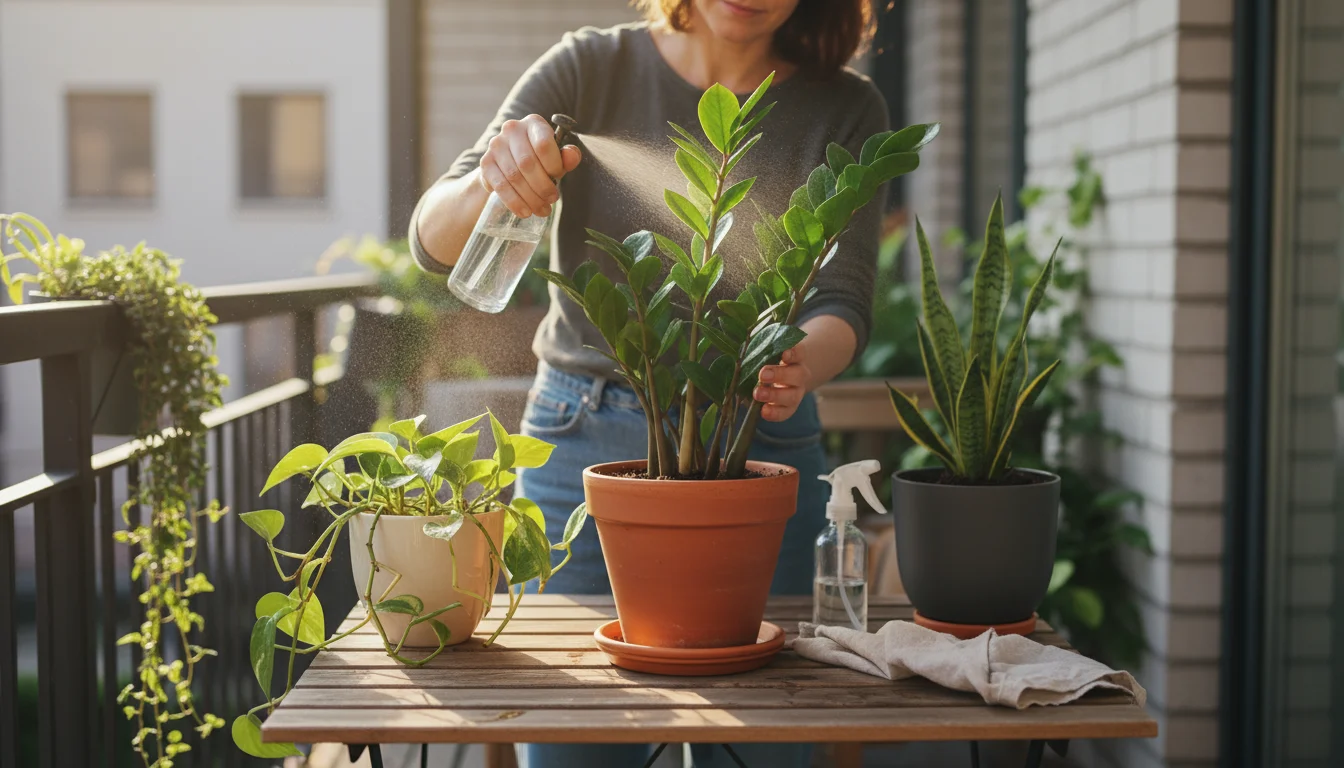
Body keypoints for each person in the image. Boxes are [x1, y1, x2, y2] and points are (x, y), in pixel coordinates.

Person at [410, 1, 886, 765]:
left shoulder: (847, 107)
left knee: (764, 739)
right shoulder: (589, 68)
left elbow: (845, 296)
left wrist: (799, 359)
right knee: (573, 736)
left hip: (760, 443)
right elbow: (433, 241)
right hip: (580, 446)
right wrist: (493, 180)